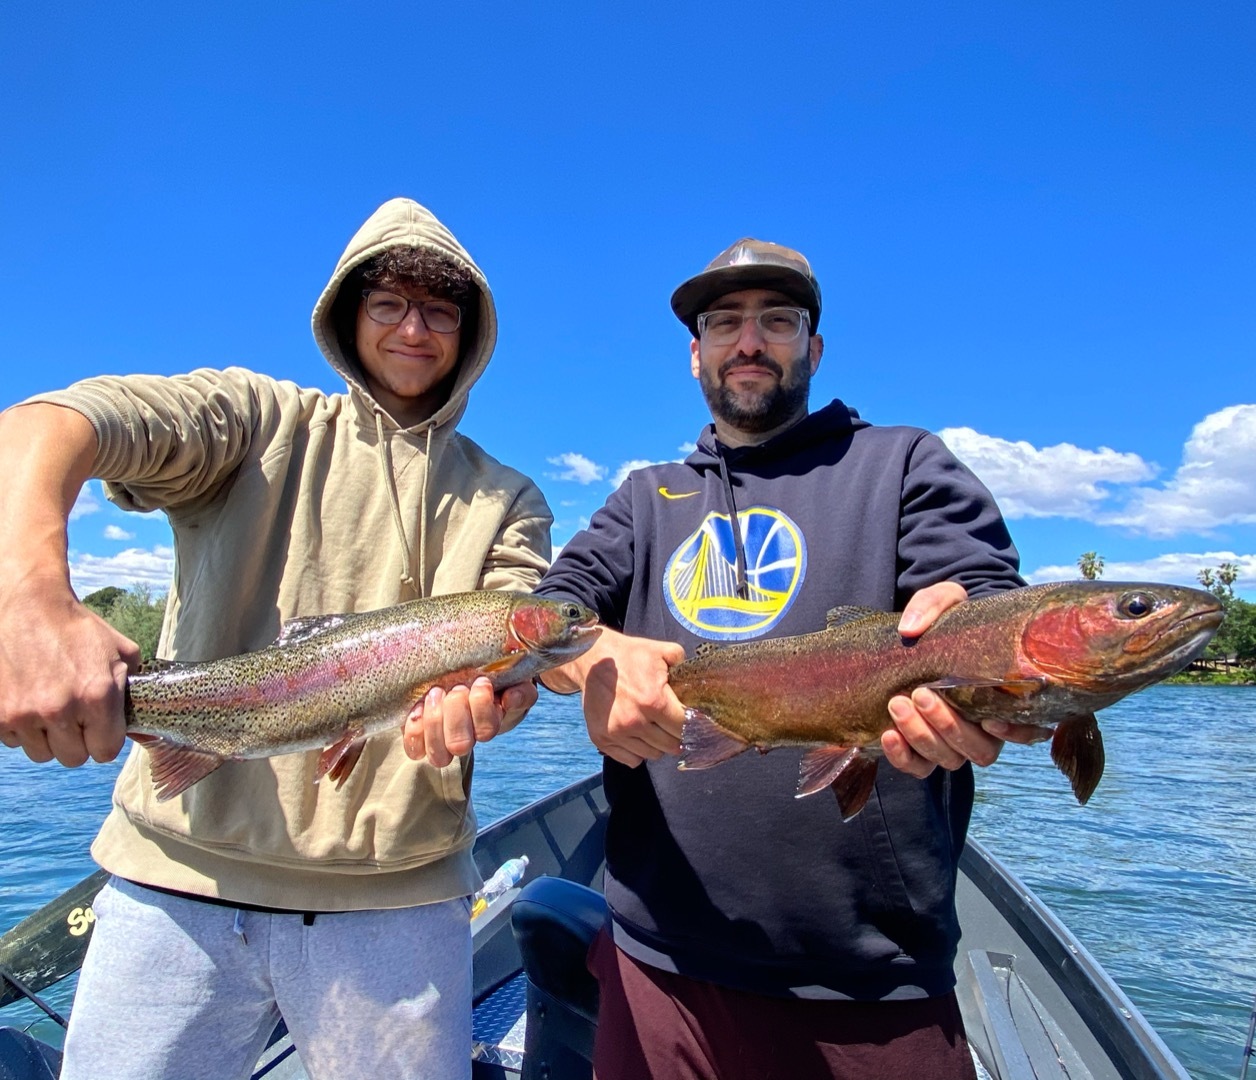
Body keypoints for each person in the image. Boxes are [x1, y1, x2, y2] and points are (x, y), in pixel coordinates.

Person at [0, 198, 553, 1080]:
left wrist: (503, 698)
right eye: (388, 305)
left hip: (400, 903)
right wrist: (29, 600)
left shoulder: (508, 498)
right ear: (346, 315)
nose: (414, 329)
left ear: (470, 332)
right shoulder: (251, 420)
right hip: (173, 885)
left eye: (440, 311)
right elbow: (49, 422)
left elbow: (520, 629)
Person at [527, 238, 1032, 1079]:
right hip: (656, 963)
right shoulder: (645, 497)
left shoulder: (903, 464)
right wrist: (588, 660)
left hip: (873, 985)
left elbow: (981, 589)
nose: (749, 340)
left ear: (815, 347)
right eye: (724, 322)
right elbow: (550, 612)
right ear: (696, 353)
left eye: (778, 320)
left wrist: (977, 632)